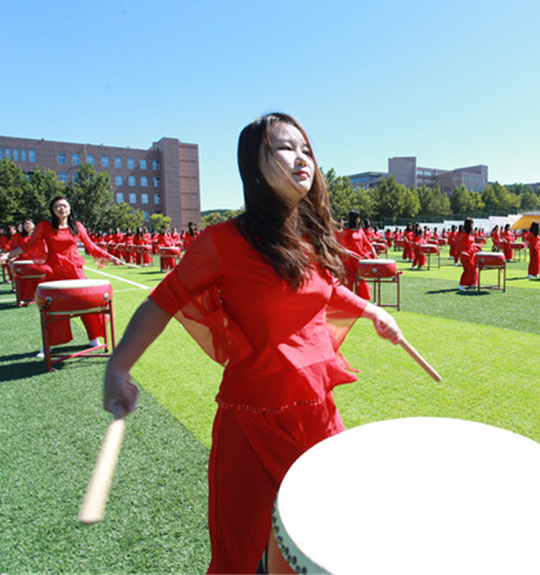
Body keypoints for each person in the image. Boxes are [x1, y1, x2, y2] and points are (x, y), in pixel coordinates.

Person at [102, 113, 403, 574]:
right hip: (252, 421)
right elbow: (161, 302)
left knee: (327, 538)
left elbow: (323, 290)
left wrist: (373, 311)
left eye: (306, 149)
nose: (301, 158)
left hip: (318, 412)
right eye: (285, 147)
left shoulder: (309, 238)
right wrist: (118, 367)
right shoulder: (220, 242)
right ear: (253, 165)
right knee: (240, 554)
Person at [0, 196, 123, 356]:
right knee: (53, 308)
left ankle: (94, 338)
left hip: (75, 270)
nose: (61, 208)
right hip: (53, 270)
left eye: (64, 205)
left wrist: (111, 257)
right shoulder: (44, 226)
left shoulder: (77, 226)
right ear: (52, 210)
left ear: (70, 208)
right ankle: (48, 345)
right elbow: (29, 245)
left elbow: (91, 246)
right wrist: (8, 255)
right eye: (57, 206)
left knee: (87, 304)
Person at [337, 209, 376, 298]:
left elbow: (366, 243)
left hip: (359, 260)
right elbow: (338, 244)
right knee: (348, 282)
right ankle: (347, 300)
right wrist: (344, 250)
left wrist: (372, 249)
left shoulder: (361, 231)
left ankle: (362, 301)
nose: (359, 220)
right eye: (357, 218)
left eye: (359, 218)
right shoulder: (346, 231)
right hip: (348, 261)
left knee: (361, 282)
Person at [457, 217, 480, 291]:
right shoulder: (463, 233)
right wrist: (462, 251)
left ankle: (471, 283)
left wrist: (476, 247)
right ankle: (461, 285)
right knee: (467, 270)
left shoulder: (470, 233)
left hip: (471, 254)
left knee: (473, 269)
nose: (472, 225)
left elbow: (471, 243)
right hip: (465, 254)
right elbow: (460, 243)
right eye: (471, 224)